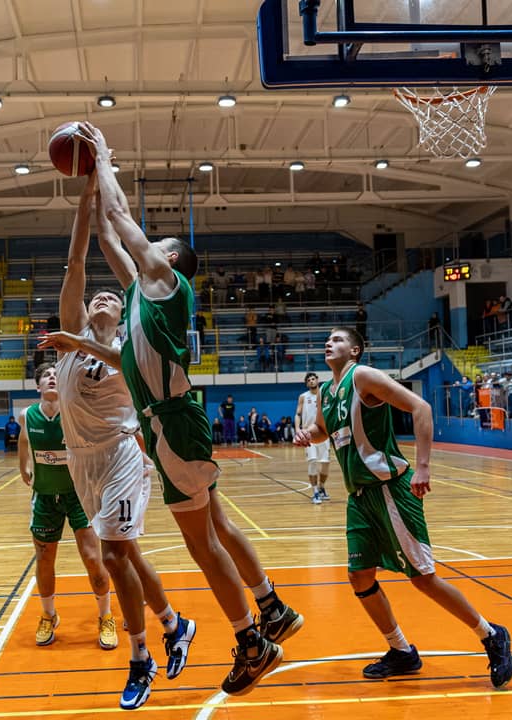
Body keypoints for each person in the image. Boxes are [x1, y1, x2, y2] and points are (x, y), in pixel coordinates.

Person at [78, 121, 301, 696]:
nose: (149, 246)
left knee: (202, 544)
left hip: (173, 426)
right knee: (216, 525)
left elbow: (122, 217)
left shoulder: (166, 283)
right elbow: (108, 235)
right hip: (171, 427)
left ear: (171, 260)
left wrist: (103, 157)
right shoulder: (140, 293)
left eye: (158, 244)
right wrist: (91, 191)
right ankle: (271, 608)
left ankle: (252, 642)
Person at [36, 174, 198, 710]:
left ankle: (139, 657)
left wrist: (80, 340)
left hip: (122, 454)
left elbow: (122, 361)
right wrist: (84, 198)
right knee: (124, 551)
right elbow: (77, 262)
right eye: (97, 296)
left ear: (121, 313)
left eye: (113, 296)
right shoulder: (71, 337)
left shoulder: (131, 345)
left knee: (110, 552)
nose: (103, 296)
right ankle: (174, 624)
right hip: (81, 461)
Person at [294, 327, 512, 688]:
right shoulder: (327, 393)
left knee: (423, 578)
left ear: (355, 350)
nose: (328, 343)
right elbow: (322, 428)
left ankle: (491, 634)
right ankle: (401, 651)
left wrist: (423, 466)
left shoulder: (363, 377)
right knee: (360, 576)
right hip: (359, 497)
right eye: (327, 340)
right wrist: (309, 434)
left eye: (337, 339)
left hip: (390, 489)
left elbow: (420, 407)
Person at [18, 364, 116, 654]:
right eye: (45, 376)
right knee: (45, 559)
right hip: (45, 497)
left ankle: (105, 616)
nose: (51, 378)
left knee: (92, 558)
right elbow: (24, 441)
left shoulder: (75, 412)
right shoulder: (27, 416)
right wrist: (23, 467)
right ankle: (49, 615)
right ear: (38, 386)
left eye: (55, 375)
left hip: (79, 495)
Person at [296, 372, 331, 504]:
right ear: (307, 384)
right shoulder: (303, 397)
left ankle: (321, 487)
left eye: (313, 379)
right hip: (308, 434)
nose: (311, 381)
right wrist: (297, 430)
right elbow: (298, 414)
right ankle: (315, 492)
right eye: (309, 380)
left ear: (317, 380)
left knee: (325, 462)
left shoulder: (325, 394)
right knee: (312, 462)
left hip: (324, 433)